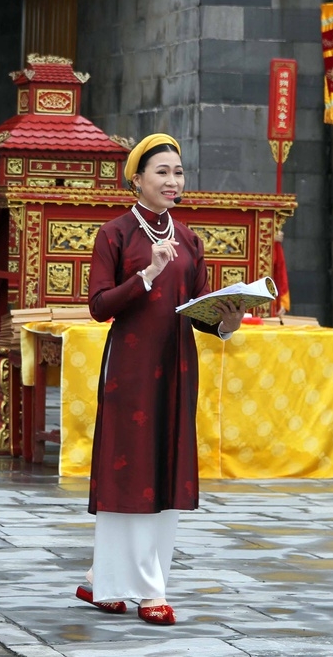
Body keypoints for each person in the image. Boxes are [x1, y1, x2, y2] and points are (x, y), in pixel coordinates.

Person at [77, 133, 246, 626]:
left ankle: (121, 582)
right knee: (126, 471)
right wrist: (146, 274)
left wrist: (226, 322)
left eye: (178, 172)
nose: (174, 181)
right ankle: (135, 588)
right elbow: (98, 307)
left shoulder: (190, 239)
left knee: (163, 472)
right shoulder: (115, 235)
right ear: (137, 179)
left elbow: (200, 310)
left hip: (176, 368)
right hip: (128, 369)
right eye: (162, 172)